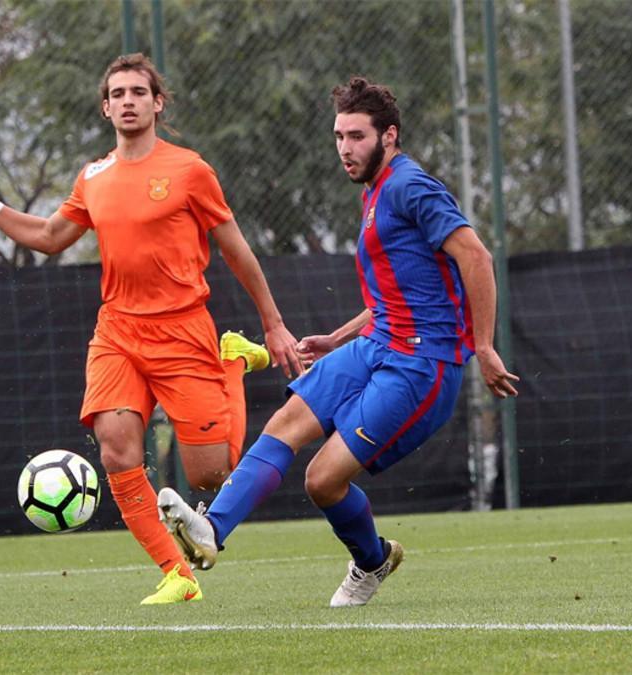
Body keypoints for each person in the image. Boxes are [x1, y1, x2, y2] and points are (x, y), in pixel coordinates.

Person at [0, 53, 304, 605]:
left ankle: (233, 361)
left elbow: (238, 250)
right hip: (117, 335)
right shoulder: (94, 176)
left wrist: (272, 324)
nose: (128, 101)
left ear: (157, 103)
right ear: (106, 108)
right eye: (118, 94)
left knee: (210, 475)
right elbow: (50, 235)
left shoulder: (189, 170)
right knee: (116, 451)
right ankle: (178, 574)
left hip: (184, 333)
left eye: (137, 91)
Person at [158, 76, 520, 607]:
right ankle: (212, 530)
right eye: (339, 136)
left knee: (322, 481)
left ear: (388, 136)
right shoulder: (377, 190)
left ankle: (371, 561)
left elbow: (476, 257)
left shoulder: (409, 186)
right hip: (375, 345)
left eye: (357, 137)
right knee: (284, 424)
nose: (345, 149)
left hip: (422, 363)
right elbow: (400, 292)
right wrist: (338, 336)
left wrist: (483, 347)